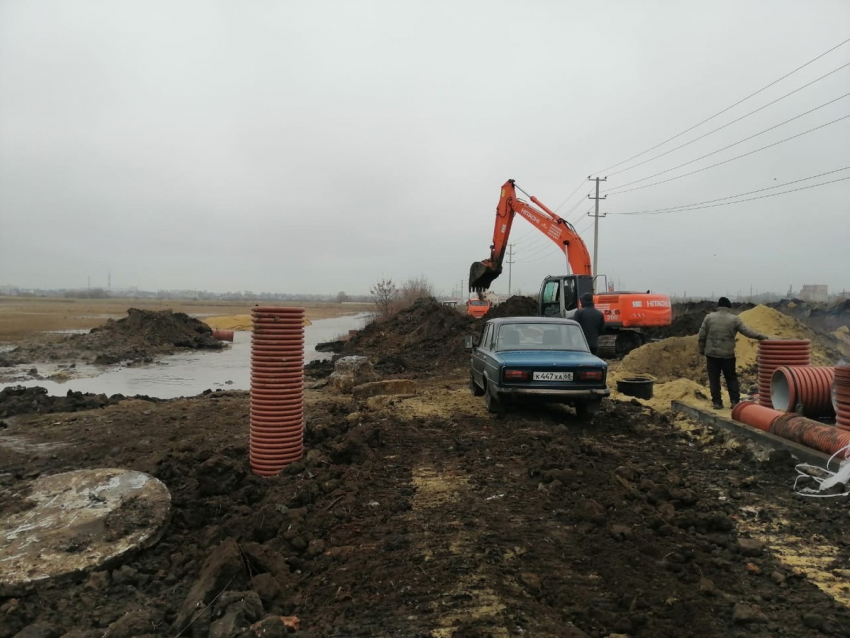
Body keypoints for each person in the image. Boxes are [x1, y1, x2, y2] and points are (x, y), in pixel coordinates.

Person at [698, 297, 769, 410]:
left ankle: (717, 402)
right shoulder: (734, 319)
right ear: (729, 307)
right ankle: (734, 401)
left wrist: (702, 350)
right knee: (731, 378)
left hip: (711, 354)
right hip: (727, 356)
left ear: (718, 306)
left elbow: (701, 336)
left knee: (714, 378)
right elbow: (747, 331)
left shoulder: (709, 318)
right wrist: (761, 336)